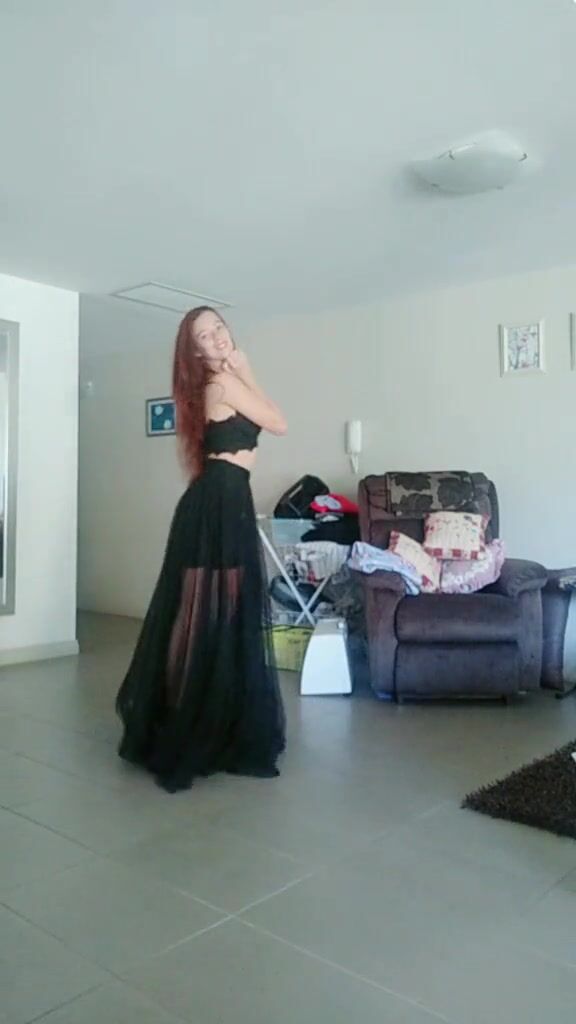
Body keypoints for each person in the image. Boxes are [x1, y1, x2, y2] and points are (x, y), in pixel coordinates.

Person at [116, 307, 287, 793]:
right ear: (195, 351)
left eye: (219, 328)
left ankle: (200, 716)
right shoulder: (224, 384)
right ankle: (181, 721)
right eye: (205, 336)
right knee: (201, 615)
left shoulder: (215, 385)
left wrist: (242, 368)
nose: (217, 337)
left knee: (211, 614)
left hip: (224, 499)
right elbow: (278, 422)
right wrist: (246, 369)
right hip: (218, 502)